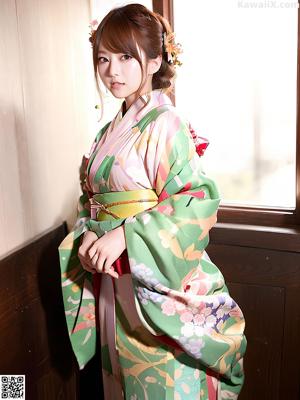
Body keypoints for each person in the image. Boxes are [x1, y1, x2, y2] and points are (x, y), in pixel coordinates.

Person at [58, 3, 246, 399]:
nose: (112, 70)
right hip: (113, 277)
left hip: (154, 282)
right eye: (104, 58)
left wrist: (125, 236)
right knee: (122, 381)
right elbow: (92, 202)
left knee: (161, 380)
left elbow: (196, 199)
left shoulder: (167, 123)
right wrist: (90, 236)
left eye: (126, 57)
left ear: (156, 59)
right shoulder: (107, 131)